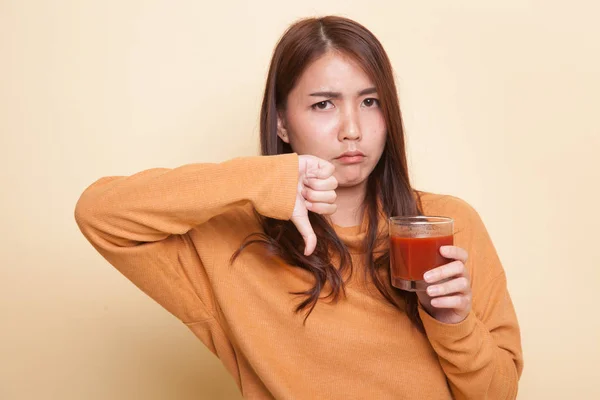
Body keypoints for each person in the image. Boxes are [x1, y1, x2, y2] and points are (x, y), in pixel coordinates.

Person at [75, 15, 523, 400]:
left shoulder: (446, 225)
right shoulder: (230, 247)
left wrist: (453, 321)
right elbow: (100, 213)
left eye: (371, 102)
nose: (352, 129)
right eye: (324, 104)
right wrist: (266, 179)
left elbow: (498, 393)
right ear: (281, 123)